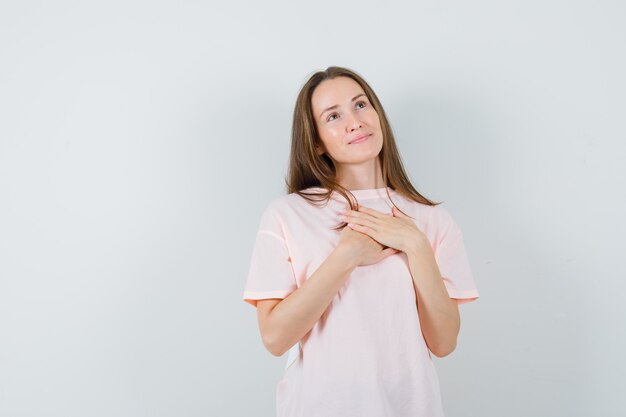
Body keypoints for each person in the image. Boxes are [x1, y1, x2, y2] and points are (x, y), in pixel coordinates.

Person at [242, 66, 480, 417]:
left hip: (410, 407)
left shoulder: (431, 221)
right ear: (317, 141)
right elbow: (275, 338)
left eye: (360, 105)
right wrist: (346, 256)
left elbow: (443, 343)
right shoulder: (287, 214)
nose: (354, 122)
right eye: (333, 115)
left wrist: (415, 246)